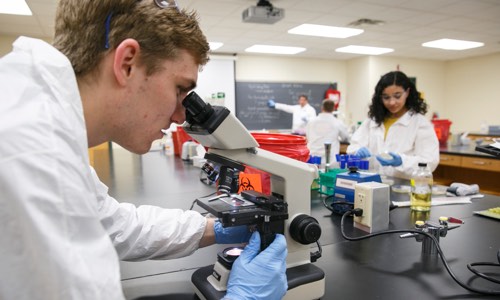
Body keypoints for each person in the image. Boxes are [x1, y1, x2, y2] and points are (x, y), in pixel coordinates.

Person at [0, 1, 287, 299]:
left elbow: (115, 226)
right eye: (179, 90)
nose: (179, 117)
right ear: (127, 64)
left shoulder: (34, 114)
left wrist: (214, 228)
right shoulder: (33, 155)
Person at [347, 71, 439, 179]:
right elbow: (353, 146)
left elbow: (430, 161)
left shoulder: (419, 123)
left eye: (397, 96)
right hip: (372, 183)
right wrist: (357, 151)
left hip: (405, 187)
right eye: (386, 97)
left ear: (407, 92)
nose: (391, 102)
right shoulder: (373, 120)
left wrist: (402, 161)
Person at [306, 99, 349, 165]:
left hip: (312, 159)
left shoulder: (311, 122)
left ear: (322, 108)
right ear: (333, 109)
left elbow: (308, 138)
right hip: (330, 161)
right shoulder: (337, 122)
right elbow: (345, 137)